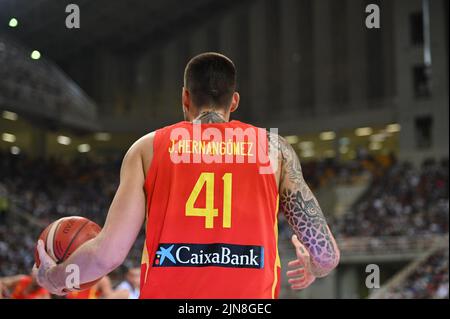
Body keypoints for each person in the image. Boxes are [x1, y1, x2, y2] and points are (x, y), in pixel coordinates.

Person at [35, 52, 340, 298]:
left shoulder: (148, 149)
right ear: (234, 100)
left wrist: (55, 278)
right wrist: (313, 266)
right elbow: (326, 255)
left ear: (184, 97)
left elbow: (107, 255)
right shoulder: (274, 150)